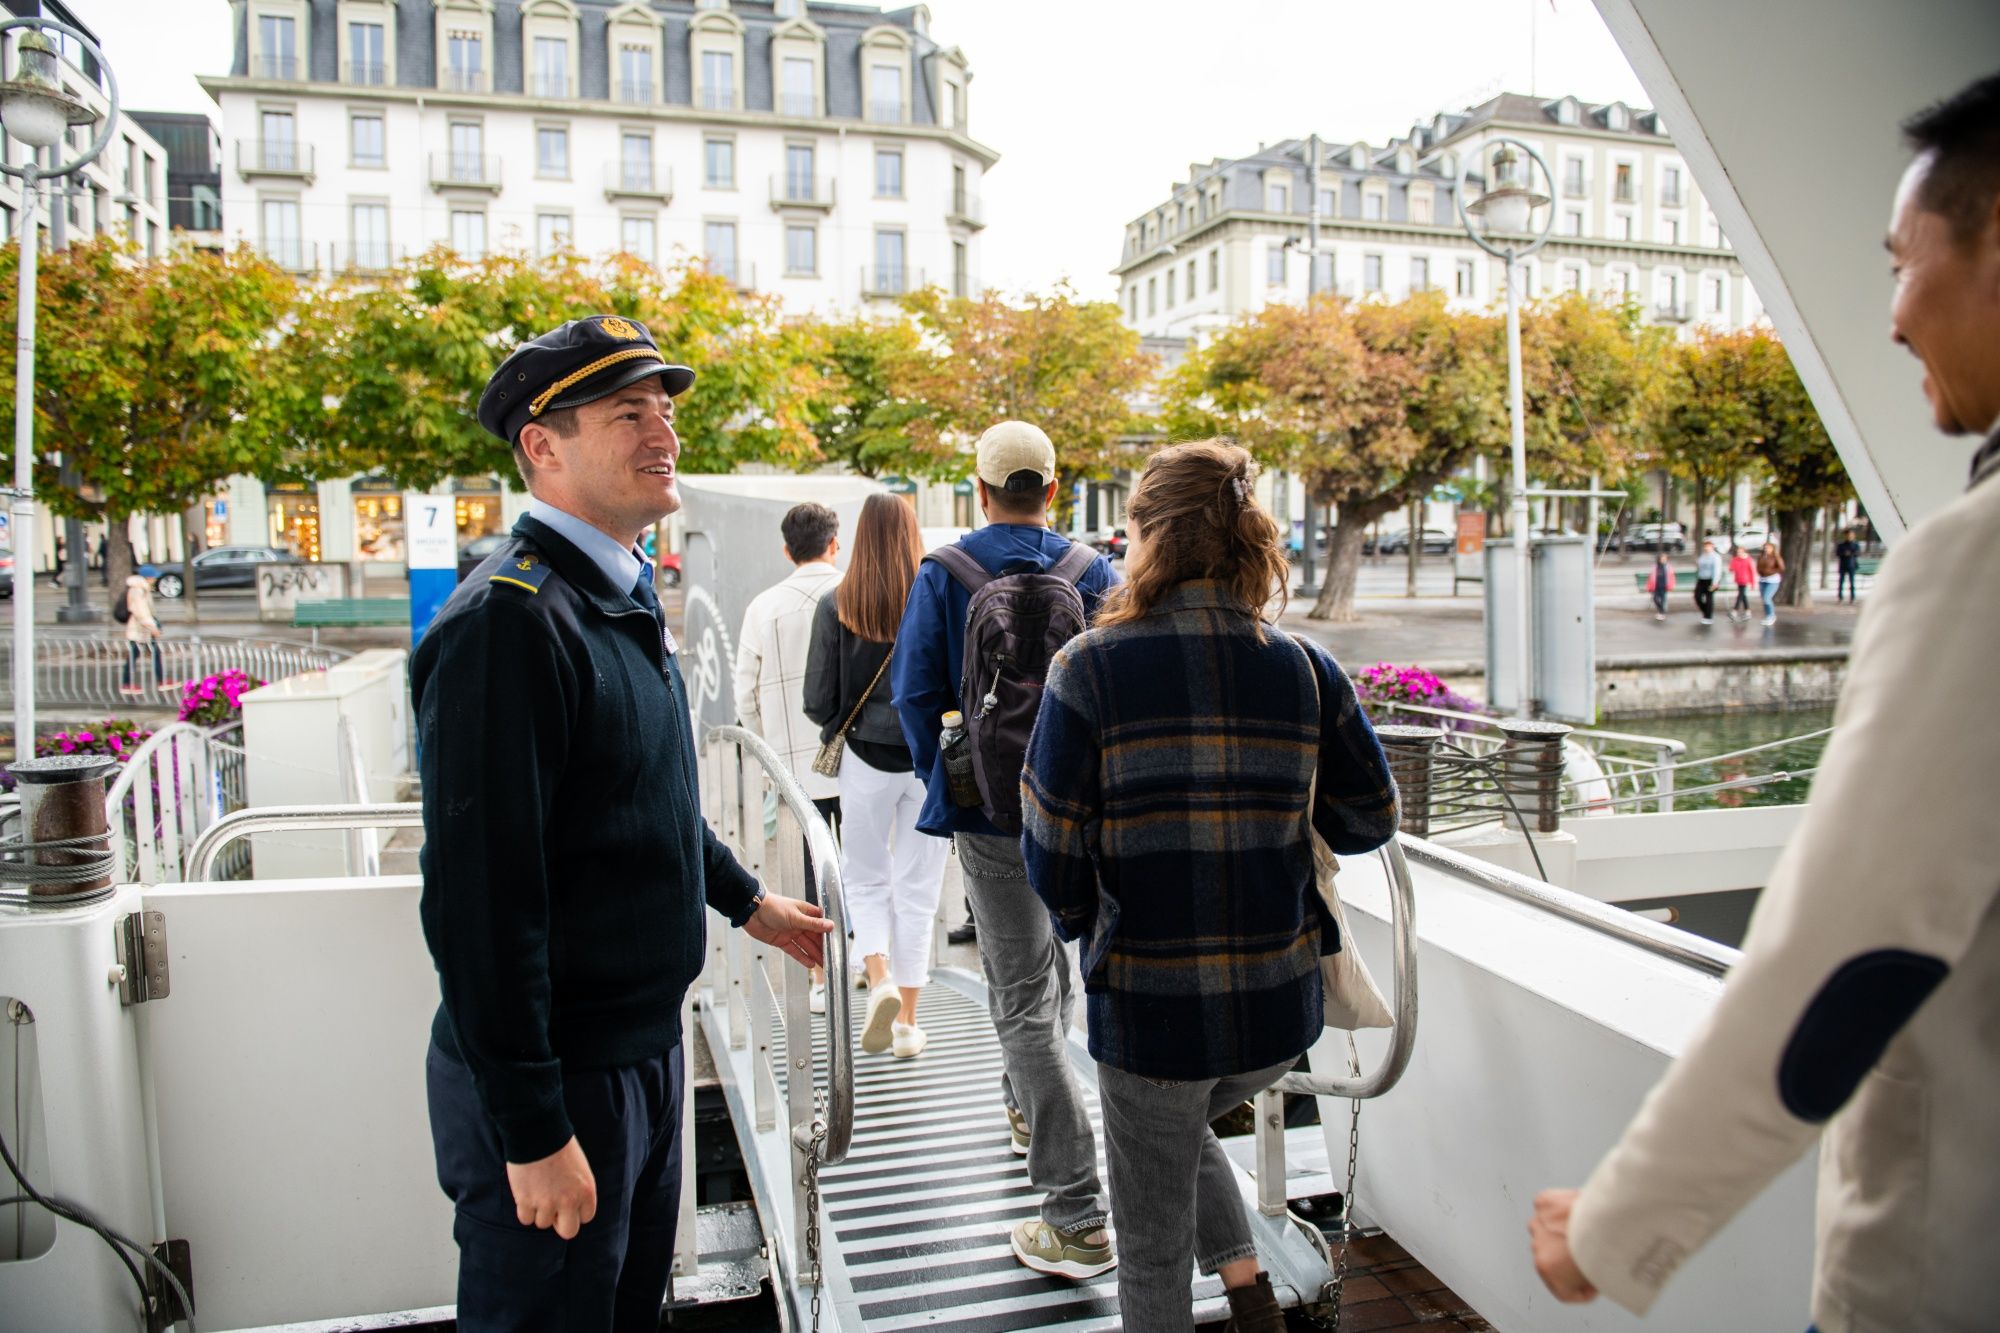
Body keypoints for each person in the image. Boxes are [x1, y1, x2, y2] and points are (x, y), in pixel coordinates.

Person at [1531, 70, 2000, 1333]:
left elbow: (1847, 952)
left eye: (1904, 262)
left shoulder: (1973, 561)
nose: (1893, 317)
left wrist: (1619, 1225)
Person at [413, 315, 832, 1333]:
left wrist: (744, 900)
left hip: (639, 1051)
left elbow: (640, 796)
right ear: (541, 447)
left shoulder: (612, 593)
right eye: (625, 413)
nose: (663, 433)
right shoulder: (508, 625)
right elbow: (478, 905)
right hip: (565, 1079)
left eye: (666, 409)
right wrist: (530, 1128)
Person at [1022, 442, 1398, 1332]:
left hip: (1150, 1007)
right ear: (1249, 536)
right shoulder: (1304, 666)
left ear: (1143, 536)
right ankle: (1248, 1292)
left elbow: (1050, 853)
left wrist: (1095, 927)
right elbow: (1369, 816)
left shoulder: (1089, 666)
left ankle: (1234, 1292)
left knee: (1148, 1243)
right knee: (1173, 1122)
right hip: (1277, 1009)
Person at [892, 420, 1121, 1277]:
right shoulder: (1094, 570)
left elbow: (916, 691)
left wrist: (954, 780)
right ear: (1054, 490)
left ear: (979, 490)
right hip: (1081, 808)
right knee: (1047, 981)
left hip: (990, 817)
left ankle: (1076, 1214)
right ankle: (1032, 1106)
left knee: (1020, 994)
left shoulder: (944, 573)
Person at [804, 494, 948, 1059]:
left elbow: (818, 699)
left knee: (864, 877)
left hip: (864, 757)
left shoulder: (837, 602)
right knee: (919, 887)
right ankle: (909, 1024)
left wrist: (848, 716)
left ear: (860, 537)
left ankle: (879, 975)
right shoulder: (937, 595)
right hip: (928, 758)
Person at [733, 502, 844, 1012]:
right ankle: (868, 960)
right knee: (862, 863)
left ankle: (822, 975)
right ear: (834, 542)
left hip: (792, 765)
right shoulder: (852, 593)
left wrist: (765, 751)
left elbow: (743, 694)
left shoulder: (762, 608)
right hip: (850, 754)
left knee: (806, 871)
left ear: (786, 549)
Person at [120, 573, 166, 695]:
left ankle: (161, 680)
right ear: (148, 578)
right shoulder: (137, 591)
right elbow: (141, 612)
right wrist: (153, 627)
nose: (155, 579)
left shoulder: (142, 589)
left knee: (153, 653)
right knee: (134, 656)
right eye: (153, 577)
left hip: (142, 629)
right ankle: (127, 684)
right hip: (139, 630)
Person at [1755, 538, 1786, 625]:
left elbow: (1781, 568)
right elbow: (1758, 566)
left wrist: (1771, 572)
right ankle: (1767, 615)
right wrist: (1760, 572)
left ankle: (1771, 616)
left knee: (1767, 598)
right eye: (1765, 548)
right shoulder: (1761, 556)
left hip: (1772, 580)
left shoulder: (1775, 557)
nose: (1766, 549)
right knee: (1764, 599)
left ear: (1772, 549)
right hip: (1762, 579)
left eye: (1768, 548)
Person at [1692, 539, 1722, 624]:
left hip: (1711, 579)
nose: (1706, 548)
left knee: (1709, 598)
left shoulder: (1715, 557)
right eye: (1705, 546)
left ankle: (1708, 617)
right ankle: (1705, 611)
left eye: (1708, 546)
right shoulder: (1703, 556)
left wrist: (1715, 582)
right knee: (1697, 596)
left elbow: (1717, 570)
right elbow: (1699, 566)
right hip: (1701, 579)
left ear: (1712, 547)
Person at [1728, 544, 1757, 622]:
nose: (1739, 554)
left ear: (1744, 552)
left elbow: (1752, 572)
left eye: (1740, 552)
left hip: (1745, 580)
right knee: (1743, 595)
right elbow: (1731, 568)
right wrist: (1731, 565)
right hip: (1738, 580)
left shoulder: (1748, 560)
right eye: (1738, 552)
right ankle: (1748, 611)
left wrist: (1753, 583)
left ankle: (1735, 611)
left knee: (1740, 595)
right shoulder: (1735, 559)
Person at [1645, 550, 1674, 620]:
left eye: (1665, 559)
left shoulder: (1668, 567)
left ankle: (1661, 613)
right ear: (1659, 559)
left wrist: (1670, 585)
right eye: (1662, 558)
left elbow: (1671, 577)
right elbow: (1650, 577)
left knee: (1663, 599)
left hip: (1664, 586)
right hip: (1656, 586)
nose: (1664, 560)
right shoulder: (1655, 567)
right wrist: (1649, 586)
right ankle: (1662, 610)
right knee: (1655, 599)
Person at [1835, 527, 1862, 601]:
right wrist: (1844, 554)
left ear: (1853, 536)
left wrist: (1851, 553)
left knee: (1852, 582)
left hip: (1852, 565)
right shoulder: (1841, 545)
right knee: (1841, 582)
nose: (1849, 536)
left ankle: (1852, 597)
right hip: (1843, 565)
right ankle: (1840, 597)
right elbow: (1838, 553)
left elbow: (1858, 553)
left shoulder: (1855, 545)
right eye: (1848, 535)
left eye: (1851, 535)